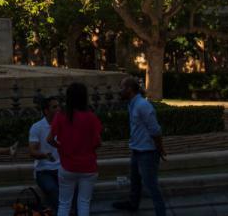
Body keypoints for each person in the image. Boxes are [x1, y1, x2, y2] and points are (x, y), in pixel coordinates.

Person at [112, 77, 167, 215]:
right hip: (137, 150)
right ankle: (133, 204)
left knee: (151, 185)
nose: (120, 91)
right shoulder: (132, 104)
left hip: (147, 152)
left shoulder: (143, 105)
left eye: (122, 87)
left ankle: (161, 212)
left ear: (129, 89)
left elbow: (155, 130)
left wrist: (160, 148)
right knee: (135, 181)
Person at [48, 82, 102, 216]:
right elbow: (98, 142)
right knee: (84, 203)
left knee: (64, 204)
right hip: (88, 166)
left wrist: (61, 147)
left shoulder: (61, 116)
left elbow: (49, 139)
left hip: (67, 166)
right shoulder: (91, 117)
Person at [28, 96, 64, 213]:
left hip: (62, 168)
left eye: (59, 106)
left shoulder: (64, 125)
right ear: (46, 111)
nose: (59, 109)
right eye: (55, 107)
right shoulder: (37, 127)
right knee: (52, 188)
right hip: (44, 170)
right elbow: (32, 151)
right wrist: (45, 155)